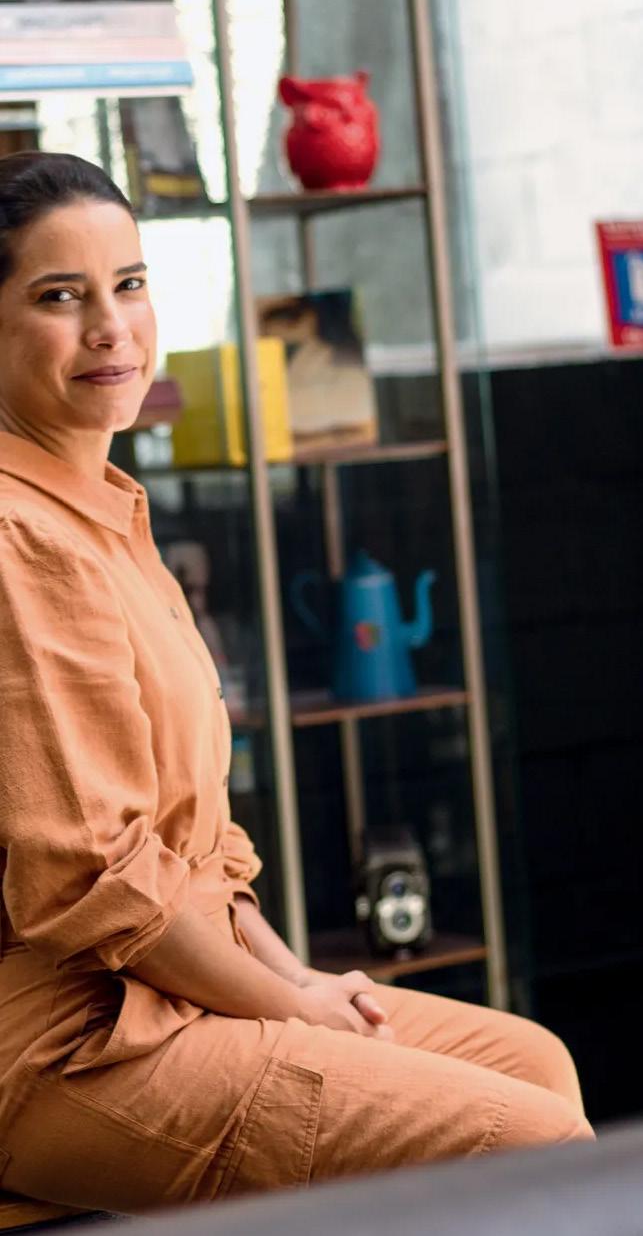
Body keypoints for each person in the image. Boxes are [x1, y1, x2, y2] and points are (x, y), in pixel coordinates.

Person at [0, 151, 593, 1216]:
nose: (111, 327)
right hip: (72, 1041)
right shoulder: (18, 539)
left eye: (129, 283)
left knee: (534, 1064)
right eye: (59, 296)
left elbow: (200, 856)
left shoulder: (105, 509)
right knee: (532, 1140)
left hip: (174, 988)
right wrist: (288, 1005)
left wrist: (303, 981)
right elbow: (98, 884)